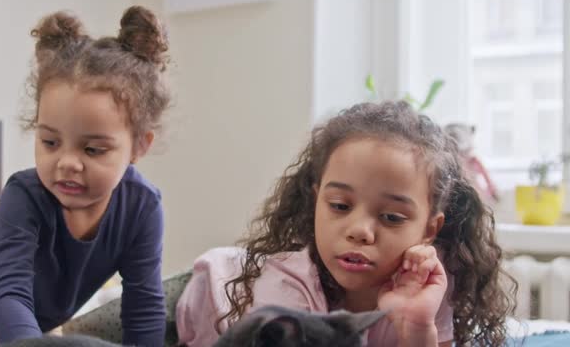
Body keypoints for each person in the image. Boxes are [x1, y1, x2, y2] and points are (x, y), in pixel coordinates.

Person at [176, 101, 516, 346]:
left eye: (391, 217)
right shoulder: (286, 286)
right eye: (340, 206)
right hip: (212, 292)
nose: (360, 230)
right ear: (316, 201)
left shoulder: (429, 283)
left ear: (430, 229)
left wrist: (416, 325)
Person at [0, 5, 170, 346]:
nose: (66, 162)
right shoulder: (24, 195)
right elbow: (10, 293)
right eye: (50, 142)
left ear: (138, 146)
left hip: (31, 319)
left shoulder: (142, 207)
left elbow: (144, 305)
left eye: (92, 150)